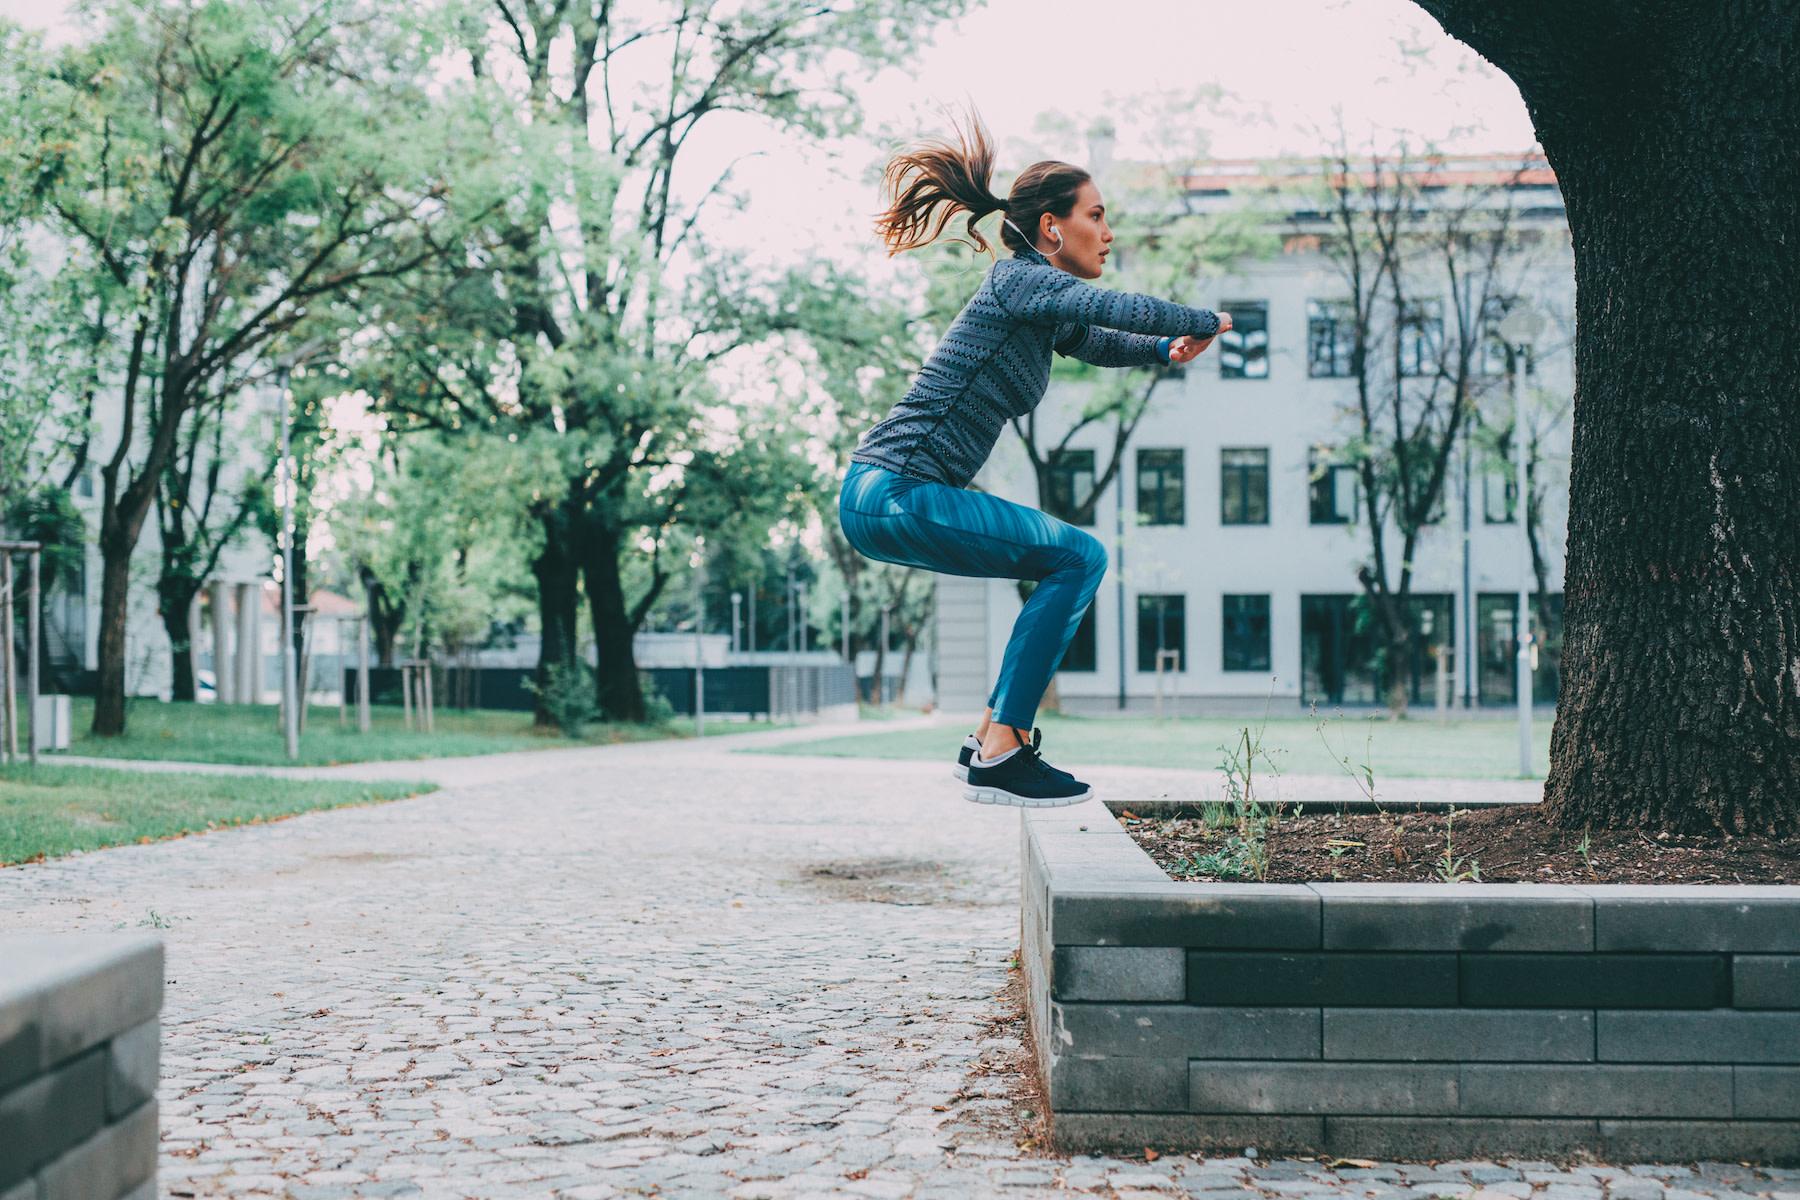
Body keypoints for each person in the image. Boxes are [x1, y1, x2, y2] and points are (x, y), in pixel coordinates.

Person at [838, 114, 1229, 808]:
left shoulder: (1036, 303)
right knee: (1078, 557)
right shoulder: (1017, 282)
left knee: (1069, 558)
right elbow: (1111, 307)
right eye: (1097, 216)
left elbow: (1094, 336)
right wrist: (1197, 320)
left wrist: (1163, 353)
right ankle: (1002, 747)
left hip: (884, 496)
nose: (1109, 234)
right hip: (896, 490)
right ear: (1053, 228)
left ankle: (991, 737)